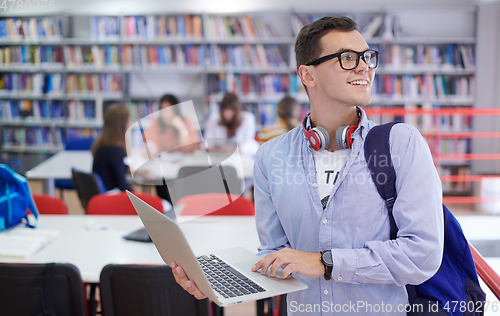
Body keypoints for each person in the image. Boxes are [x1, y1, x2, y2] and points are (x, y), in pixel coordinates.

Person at [172, 16, 444, 315]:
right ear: (308, 75)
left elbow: (423, 255)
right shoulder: (271, 156)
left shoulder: (401, 144)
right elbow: (275, 255)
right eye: (348, 58)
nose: (364, 66)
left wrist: (325, 262)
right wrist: (216, 284)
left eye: (367, 57)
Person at [143, 94, 200, 204]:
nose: (167, 114)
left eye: (170, 110)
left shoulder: (186, 121)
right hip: (164, 169)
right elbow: (148, 148)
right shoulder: (156, 124)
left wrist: (182, 129)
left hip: (183, 167)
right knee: (160, 180)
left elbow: (190, 147)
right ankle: (168, 206)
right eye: (164, 111)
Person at [204, 92, 259, 156]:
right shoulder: (214, 119)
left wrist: (237, 149)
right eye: (225, 109)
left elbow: (250, 143)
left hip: (240, 157)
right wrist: (216, 149)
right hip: (219, 156)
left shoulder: (248, 119)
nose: (227, 113)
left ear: (236, 110)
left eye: (231, 110)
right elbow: (206, 143)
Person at [92, 104, 132, 192]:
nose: (130, 124)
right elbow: (122, 185)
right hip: (110, 197)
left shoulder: (103, 145)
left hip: (102, 195)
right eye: (128, 121)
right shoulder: (116, 150)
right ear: (121, 125)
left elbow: (114, 167)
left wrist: (127, 168)